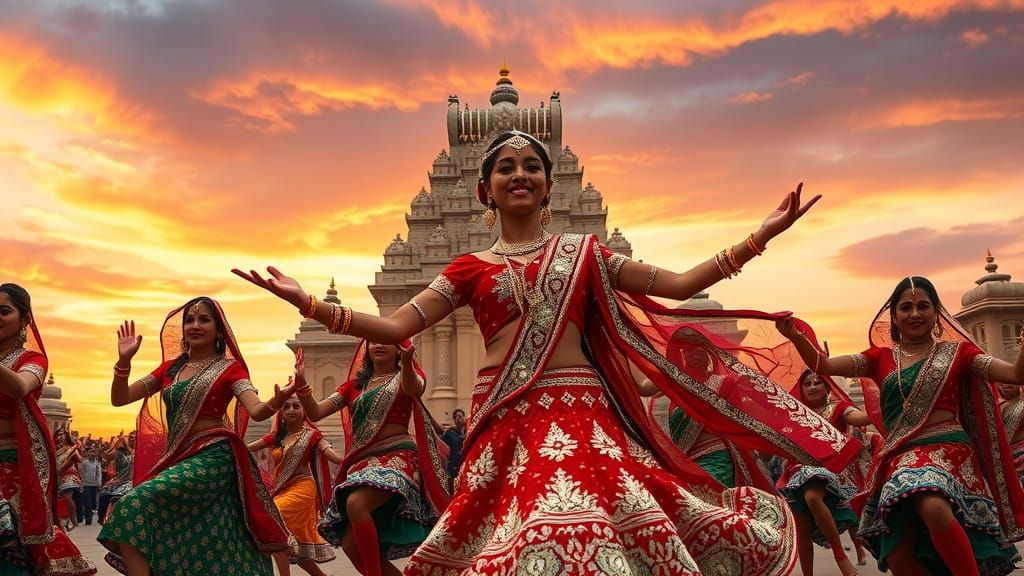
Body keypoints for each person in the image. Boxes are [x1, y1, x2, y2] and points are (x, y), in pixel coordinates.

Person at [235, 129, 859, 575]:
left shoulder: (585, 255)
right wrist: (307, 303)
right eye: (505, 166)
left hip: (583, 416)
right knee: (524, 548)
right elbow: (397, 328)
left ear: (549, 185)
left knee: (586, 539)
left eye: (532, 165)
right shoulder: (469, 267)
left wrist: (759, 237)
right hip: (507, 423)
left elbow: (676, 287)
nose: (519, 174)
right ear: (484, 189)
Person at [778, 275, 1024, 576]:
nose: (915, 313)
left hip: (948, 452)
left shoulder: (958, 354)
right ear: (894, 316)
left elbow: (1015, 374)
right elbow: (823, 366)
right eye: (906, 307)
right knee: (899, 556)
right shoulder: (880, 358)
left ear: (936, 313)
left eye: (923, 306)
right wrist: (795, 335)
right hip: (899, 457)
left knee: (931, 503)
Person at [98, 296, 293, 576]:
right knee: (188, 531)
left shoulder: (229, 369)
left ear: (218, 329)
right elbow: (120, 398)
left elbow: (258, 410)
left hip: (214, 456)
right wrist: (123, 362)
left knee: (133, 503)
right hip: (180, 457)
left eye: (204, 319)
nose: (195, 325)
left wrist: (278, 400)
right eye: (189, 319)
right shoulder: (170, 370)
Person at [287, 341, 447, 576]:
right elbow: (316, 412)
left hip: (398, 456)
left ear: (399, 349)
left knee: (355, 504)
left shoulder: (407, 376)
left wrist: (406, 364)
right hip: (361, 463)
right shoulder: (354, 386)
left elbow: (414, 389)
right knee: (351, 544)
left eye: (387, 341)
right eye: (373, 341)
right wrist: (302, 386)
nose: (379, 345)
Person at [0, 283, 96, 575]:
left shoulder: (32, 360)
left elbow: (19, 387)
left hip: (11, 465)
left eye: (4, 311)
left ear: (25, 320)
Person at [776, 369, 872, 576]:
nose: (812, 387)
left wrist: (879, 405)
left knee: (812, 496)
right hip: (796, 470)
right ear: (801, 388)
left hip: (830, 469)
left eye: (817, 382)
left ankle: (842, 557)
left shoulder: (839, 408)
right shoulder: (792, 414)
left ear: (827, 387)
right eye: (807, 383)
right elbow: (776, 443)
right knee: (801, 525)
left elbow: (859, 418)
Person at [248, 365, 342, 576]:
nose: (291, 410)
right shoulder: (276, 438)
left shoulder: (312, 436)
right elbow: (244, 448)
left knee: (274, 523)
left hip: (303, 489)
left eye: (296, 406)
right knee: (293, 545)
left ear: (305, 412)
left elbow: (332, 456)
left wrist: (355, 456)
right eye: (287, 406)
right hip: (281, 490)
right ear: (281, 412)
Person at [97, 433, 133, 525]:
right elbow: (106, 457)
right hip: (121, 480)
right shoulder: (120, 453)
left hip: (128, 481)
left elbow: (105, 456)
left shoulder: (135, 452)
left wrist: (102, 451)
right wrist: (102, 451)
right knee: (104, 493)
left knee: (106, 493)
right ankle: (102, 518)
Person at [54, 422, 83, 530]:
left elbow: (80, 460)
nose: (60, 437)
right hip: (58, 477)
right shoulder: (54, 449)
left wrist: (76, 453)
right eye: (57, 435)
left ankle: (74, 522)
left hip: (69, 475)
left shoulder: (71, 449)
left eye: (62, 434)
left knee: (67, 497)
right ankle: (64, 521)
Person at [996, 379, 1024, 487]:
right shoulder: (1001, 405)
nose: (1005, 386)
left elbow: (1004, 442)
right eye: (1001, 383)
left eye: (1010, 383)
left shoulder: (1020, 407)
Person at [441, 408, 466, 489]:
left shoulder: (469, 433)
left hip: (464, 465)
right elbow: (441, 444)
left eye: (460, 416)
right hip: (452, 468)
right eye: (455, 417)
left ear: (464, 418)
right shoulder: (449, 433)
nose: (458, 418)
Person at [79, 449, 102, 526]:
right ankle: (88, 519)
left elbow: (98, 473)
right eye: (91, 452)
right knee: (87, 502)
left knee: (93, 503)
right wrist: (82, 481)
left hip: (94, 485)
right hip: (86, 485)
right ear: (88, 453)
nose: (92, 453)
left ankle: (92, 512)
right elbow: (81, 472)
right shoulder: (84, 462)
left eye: (94, 452)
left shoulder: (97, 463)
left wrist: (99, 483)